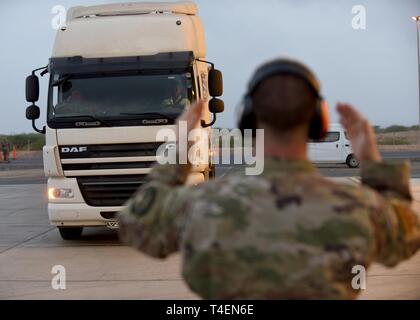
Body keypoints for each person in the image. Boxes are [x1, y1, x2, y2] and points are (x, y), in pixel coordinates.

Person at [118, 58, 420, 299]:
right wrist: (371, 160)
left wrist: (178, 150)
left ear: (247, 117)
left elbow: (136, 224)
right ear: (319, 121)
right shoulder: (359, 208)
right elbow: (407, 236)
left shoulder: (201, 204)